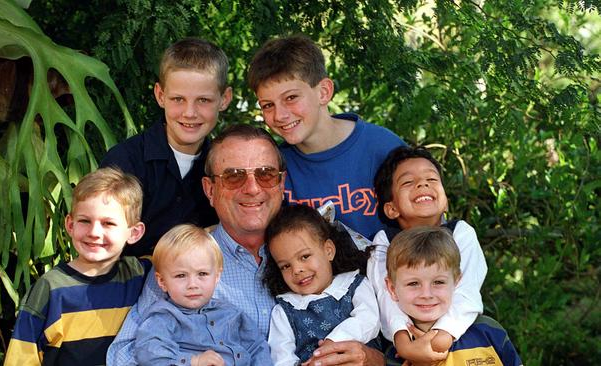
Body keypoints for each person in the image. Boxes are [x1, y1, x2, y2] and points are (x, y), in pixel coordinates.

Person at [108, 124, 385, 366]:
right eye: (234, 176)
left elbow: (399, 321)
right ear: (209, 190)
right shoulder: (184, 261)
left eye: (265, 174)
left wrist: (373, 359)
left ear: (280, 183)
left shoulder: (325, 240)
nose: (252, 188)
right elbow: (124, 353)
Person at [247, 34, 405, 240]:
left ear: (324, 92)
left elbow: (427, 222)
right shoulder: (275, 166)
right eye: (268, 105)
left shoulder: (383, 148)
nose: (280, 115)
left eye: (291, 98)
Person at [101, 37, 232, 257]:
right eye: (178, 99)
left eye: (203, 100)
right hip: (130, 284)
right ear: (160, 96)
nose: (190, 112)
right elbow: (101, 240)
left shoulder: (225, 166)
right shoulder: (124, 161)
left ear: (224, 99)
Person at [4, 167, 149, 365]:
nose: (94, 232)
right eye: (84, 221)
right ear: (70, 225)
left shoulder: (139, 275)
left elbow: (183, 255)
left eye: (108, 223)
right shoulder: (51, 288)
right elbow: (22, 356)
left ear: (134, 233)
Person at [367, 146, 487, 364]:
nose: (422, 184)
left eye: (431, 179)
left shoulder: (461, 233)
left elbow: (467, 291)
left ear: (445, 200)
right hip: (402, 349)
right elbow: (384, 296)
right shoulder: (384, 241)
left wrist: (441, 338)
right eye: (408, 182)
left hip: (464, 338)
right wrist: (405, 344)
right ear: (391, 208)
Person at [134, 224, 271, 365]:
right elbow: (148, 351)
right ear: (162, 281)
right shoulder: (164, 317)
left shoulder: (232, 314)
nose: (193, 284)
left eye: (202, 274)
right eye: (181, 275)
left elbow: (257, 347)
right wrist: (193, 361)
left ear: (217, 276)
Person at [384, 226, 522, 365]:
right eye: (413, 283)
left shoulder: (488, 331)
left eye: (438, 282)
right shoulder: (395, 355)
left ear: (456, 282)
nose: (426, 294)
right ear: (392, 289)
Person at [264, 205, 380, 365]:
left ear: (329, 250)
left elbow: (368, 320)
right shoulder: (285, 310)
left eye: (304, 256)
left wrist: (333, 342)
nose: (296, 270)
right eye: (285, 266)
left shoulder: (354, 284)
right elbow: (281, 356)